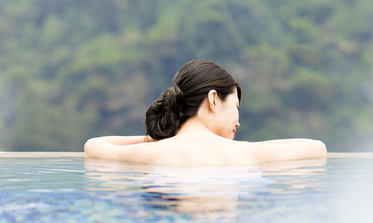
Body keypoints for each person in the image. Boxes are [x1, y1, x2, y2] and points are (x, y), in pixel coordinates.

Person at [84, 60, 327, 166]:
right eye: (236, 108)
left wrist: (156, 138)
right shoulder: (247, 153)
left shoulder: (151, 153)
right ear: (213, 99)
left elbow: (94, 145)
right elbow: (317, 148)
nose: (238, 122)